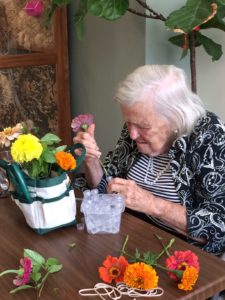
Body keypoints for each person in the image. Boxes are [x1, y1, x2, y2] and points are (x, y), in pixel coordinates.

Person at [74, 64, 225, 257]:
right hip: (130, 241)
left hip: (184, 259)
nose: (132, 134)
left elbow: (219, 228)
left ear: (175, 117)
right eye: (128, 122)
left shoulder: (209, 136)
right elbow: (106, 189)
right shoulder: (137, 126)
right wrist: (91, 161)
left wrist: (152, 204)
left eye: (143, 126)